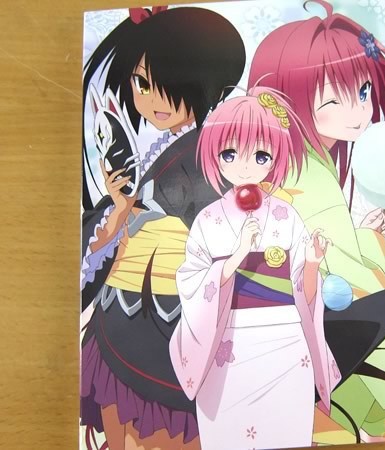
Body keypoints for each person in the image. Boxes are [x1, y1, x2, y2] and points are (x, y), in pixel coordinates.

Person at [248, 0, 385, 443]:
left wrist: (362, 237)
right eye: (333, 99)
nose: (359, 111)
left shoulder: (303, 162)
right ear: (285, 103)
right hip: (328, 320)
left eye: (362, 91)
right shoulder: (301, 172)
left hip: (323, 318)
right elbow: (345, 276)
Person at [80, 6, 245, 449]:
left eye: (169, 86)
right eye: (141, 84)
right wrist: (120, 209)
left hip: (167, 321)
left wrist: (139, 217)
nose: (152, 100)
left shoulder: (213, 155)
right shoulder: (156, 149)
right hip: (128, 313)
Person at [170, 88, 341, 450]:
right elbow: (190, 283)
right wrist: (234, 259)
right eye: (230, 153)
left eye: (261, 155)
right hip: (228, 345)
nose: (245, 166)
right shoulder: (208, 220)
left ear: (274, 159)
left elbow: (305, 293)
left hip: (285, 343)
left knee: (288, 433)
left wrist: (312, 264)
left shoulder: (286, 216)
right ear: (216, 156)